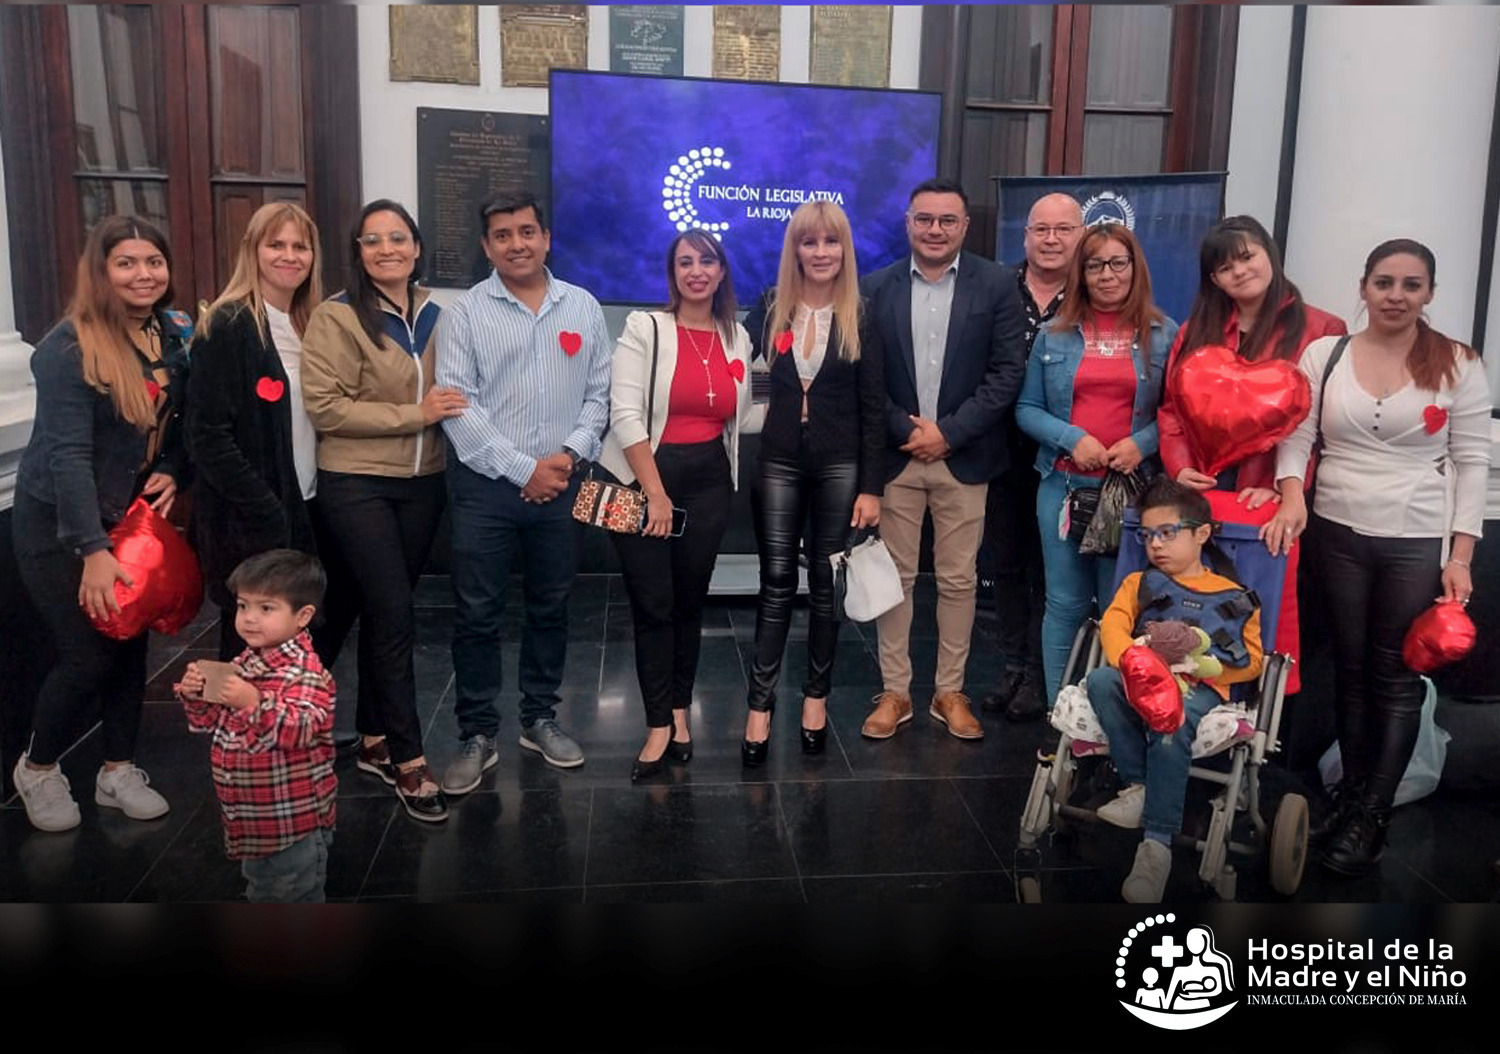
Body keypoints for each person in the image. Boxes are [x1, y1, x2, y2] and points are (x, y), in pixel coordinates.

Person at [1272, 239, 1490, 875]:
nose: (1397, 295)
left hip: (1415, 537)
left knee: (1394, 677)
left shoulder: (1457, 363)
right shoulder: (1326, 352)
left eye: (1412, 285)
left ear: (1429, 294)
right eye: (1385, 282)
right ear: (1364, 287)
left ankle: (1373, 811)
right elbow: (1297, 434)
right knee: (1348, 667)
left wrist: (1462, 556)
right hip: (1336, 528)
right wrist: (1291, 495)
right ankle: (1349, 792)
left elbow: (1473, 462)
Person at [11, 215, 189, 832]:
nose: (144, 274)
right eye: (127, 263)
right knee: (87, 656)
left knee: (130, 646)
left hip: (129, 520)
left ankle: (117, 770)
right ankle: (37, 769)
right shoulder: (67, 348)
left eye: (153, 262)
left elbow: (177, 420)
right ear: (101, 271)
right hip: (61, 526)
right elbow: (68, 455)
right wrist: (91, 548)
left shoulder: (173, 332)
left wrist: (171, 467)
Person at [435, 191, 611, 790]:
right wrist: (523, 469)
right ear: (487, 247)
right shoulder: (463, 314)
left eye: (527, 231)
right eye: (503, 235)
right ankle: (477, 731)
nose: (518, 244)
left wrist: (565, 458)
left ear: (546, 237)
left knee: (551, 607)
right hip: (485, 488)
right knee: (478, 613)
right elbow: (456, 406)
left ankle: (539, 717)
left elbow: (599, 396)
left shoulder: (582, 308)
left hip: (562, 482)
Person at [301, 199, 468, 823]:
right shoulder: (337, 317)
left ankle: (370, 736)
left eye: (398, 238)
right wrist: (414, 415)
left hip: (424, 483)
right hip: (357, 484)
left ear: (417, 248)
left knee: (380, 610)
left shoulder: (438, 314)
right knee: (396, 614)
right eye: (373, 240)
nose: (387, 249)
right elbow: (326, 407)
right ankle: (408, 758)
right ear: (359, 252)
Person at [858, 178, 1028, 742]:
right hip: (897, 457)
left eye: (947, 220)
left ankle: (950, 691)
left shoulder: (999, 284)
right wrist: (907, 429)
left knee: (959, 580)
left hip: (966, 456)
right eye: (925, 219)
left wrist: (948, 433)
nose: (935, 230)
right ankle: (896, 692)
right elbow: (866, 376)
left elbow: (1007, 374)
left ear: (964, 226)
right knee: (896, 581)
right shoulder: (873, 288)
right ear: (908, 223)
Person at [1157, 215, 1345, 694]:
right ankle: (1194, 715)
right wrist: (1180, 468)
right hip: (1204, 490)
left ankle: (1259, 721)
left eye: (1247, 257)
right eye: (1223, 267)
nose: (1238, 272)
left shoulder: (1323, 329)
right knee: (1196, 605)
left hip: (1276, 499)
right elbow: (1172, 409)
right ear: (1213, 280)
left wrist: (1287, 486)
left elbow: (1320, 428)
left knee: (1264, 611)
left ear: (1269, 254)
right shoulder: (1196, 329)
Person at [596, 228, 754, 780]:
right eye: (685, 262)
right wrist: (655, 492)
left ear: (721, 271)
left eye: (706, 261)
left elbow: (735, 412)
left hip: (710, 479)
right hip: (642, 479)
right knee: (653, 606)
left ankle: (681, 711)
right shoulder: (646, 327)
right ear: (673, 273)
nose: (696, 271)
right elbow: (625, 415)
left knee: (689, 604)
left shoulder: (738, 336)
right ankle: (657, 724)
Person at [740, 201, 885, 765]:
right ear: (794, 250)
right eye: (809, 242)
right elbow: (742, 372)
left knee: (825, 587)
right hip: (777, 459)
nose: (820, 253)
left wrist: (872, 487)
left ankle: (815, 700)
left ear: (844, 250)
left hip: (840, 465)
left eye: (831, 242)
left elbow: (874, 409)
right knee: (776, 582)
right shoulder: (771, 308)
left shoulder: (861, 315)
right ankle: (759, 705)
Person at [185, 201, 355, 667]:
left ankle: (286, 734)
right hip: (254, 517)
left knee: (301, 639)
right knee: (247, 649)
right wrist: (266, 508)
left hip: (309, 503)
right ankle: (231, 739)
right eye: (275, 244)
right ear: (253, 251)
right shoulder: (228, 325)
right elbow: (208, 436)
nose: (289, 255)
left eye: (300, 246)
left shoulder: (311, 325)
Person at [1016, 224, 1178, 703]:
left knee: (1119, 609)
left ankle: (1112, 722)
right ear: (1080, 273)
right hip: (1063, 490)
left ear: (1134, 269)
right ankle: (1062, 717)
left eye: (1117, 263)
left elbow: (1176, 413)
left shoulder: (1162, 333)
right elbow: (1026, 408)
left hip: (1132, 498)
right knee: (1063, 605)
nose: (1106, 275)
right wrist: (1071, 438)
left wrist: (1141, 444)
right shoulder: (1054, 335)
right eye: (1094, 265)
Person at [1086, 479, 1264, 903]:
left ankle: (1156, 845)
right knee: (1099, 680)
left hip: (1199, 684)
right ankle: (1138, 787)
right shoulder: (1139, 584)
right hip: (1142, 673)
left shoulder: (1237, 598)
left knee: (1172, 716)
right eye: (1147, 536)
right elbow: (1112, 624)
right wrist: (1133, 659)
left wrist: (1205, 668)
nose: (1155, 545)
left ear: (1201, 533)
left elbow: (1253, 660)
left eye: (1168, 533)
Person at [175, 549, 336, 903]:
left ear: (303, 615)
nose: (248, 618)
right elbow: (209, 723)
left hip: (291, 823)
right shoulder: (245, 662)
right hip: (251, 816)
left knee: (290, 894)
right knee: (265, 889)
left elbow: (299, 729)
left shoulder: (305, 674)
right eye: (243, 605)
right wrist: (198, 695)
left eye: (266, 608)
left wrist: (253, 703)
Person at [981, 193, 1084, 723]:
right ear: (1025, 236)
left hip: (1065, 455)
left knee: (1055, 569)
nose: (1050, 239)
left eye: (1063, 230)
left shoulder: (1095, 296)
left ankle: (1049, 676)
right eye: (1040, 229)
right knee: (1007, 564)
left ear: (1080, 235)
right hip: (999, 449)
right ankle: (1014, 666)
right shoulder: (997, 288)